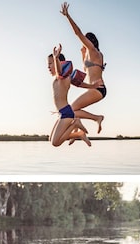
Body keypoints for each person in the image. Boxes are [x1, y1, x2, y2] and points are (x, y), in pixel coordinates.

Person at [60, 2, 106, 134]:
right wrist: (82, 54)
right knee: (73, 110)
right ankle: (76, 128)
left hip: (98, 88)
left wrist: (68, 17)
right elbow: (86, 71)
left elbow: (78, 33)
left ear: (90, 41)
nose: (83, 43)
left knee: (72, 109)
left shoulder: (93, 51)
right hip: (95, 88)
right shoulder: (91, 55)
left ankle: (97, 118)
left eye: (85, 41)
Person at [48, 44, 91, 147]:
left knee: (55, 143)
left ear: (59, 63)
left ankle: (76, 124)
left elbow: (59, 71)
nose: (48, 67)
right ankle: (80, 134)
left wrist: (56, 57)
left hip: (66, 113)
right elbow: (80, 84)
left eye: (50, 64)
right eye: (48, 64)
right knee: (51, 139)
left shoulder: (61, 77)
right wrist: (93, 86)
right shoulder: (63, 78)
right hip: (62, 113)